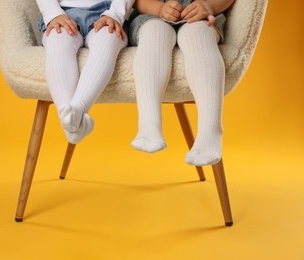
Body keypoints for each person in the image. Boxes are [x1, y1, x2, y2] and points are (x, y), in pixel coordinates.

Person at [129, 0, 235, 166]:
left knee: (199, 33)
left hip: (199, 13)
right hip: (150, 15)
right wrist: (158, 8)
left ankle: (210, 130)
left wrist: (211, 6)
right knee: (154, 32)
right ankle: (149, 123)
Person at [36, 0, 134, 144]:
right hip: (63, 13)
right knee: (58, 42)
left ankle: (76, 112)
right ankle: (71, 117)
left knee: (107, 41)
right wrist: (53, 13)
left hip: (107, 13)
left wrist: (115, 14)